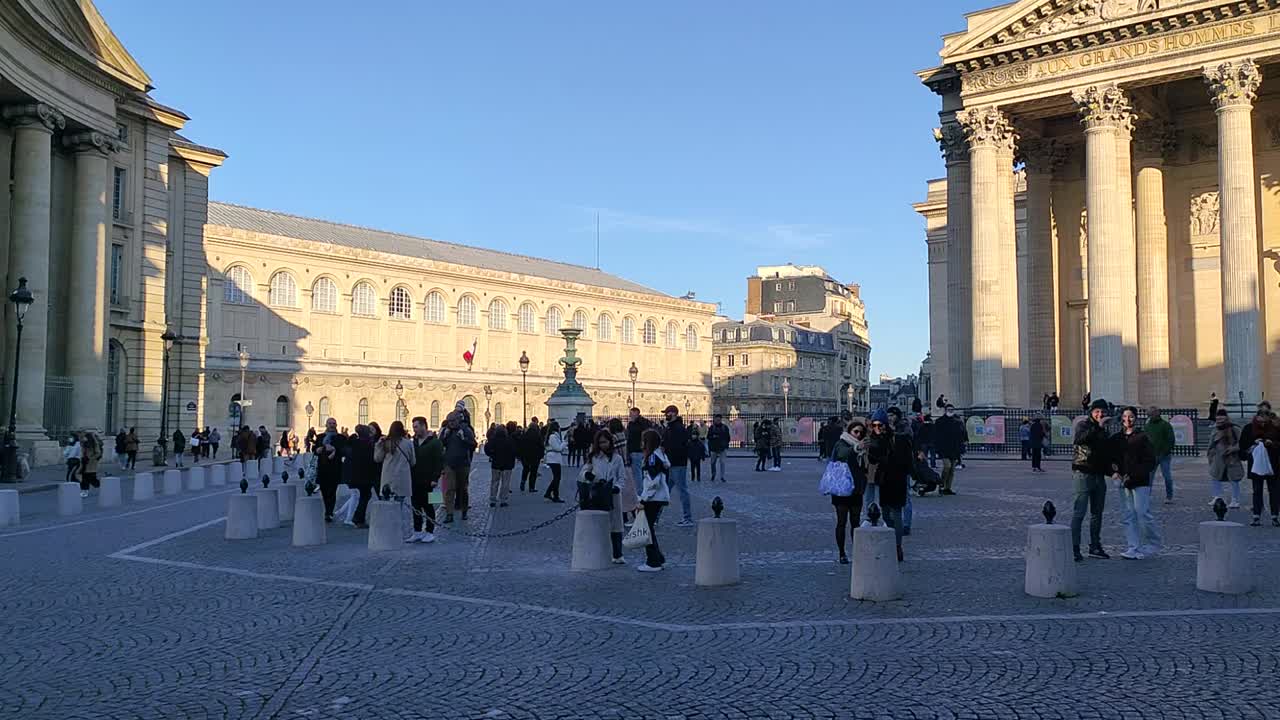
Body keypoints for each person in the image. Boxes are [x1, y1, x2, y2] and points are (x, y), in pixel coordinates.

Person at [1114, 406, 1162, 559]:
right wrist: (1114, 472)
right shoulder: (1117, 438)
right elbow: (1112, 458)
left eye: (1131, 417)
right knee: (1128, 515)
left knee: (1143, 513)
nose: (1128, 420)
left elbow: (1150, 461)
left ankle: (1153, 543)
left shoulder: (1142, 437)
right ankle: (1133, 546)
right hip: (1123, 481)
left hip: (1140, 481)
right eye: (1125, 416)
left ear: (1136, 418)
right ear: (1121, 418)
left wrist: (1133, 475)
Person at [1072, 399, 1114, 562]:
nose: (1100, 414)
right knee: (1079, 512)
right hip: (1083, 473)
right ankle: (1074, 547)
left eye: (1102, 411)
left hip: (1099, 475)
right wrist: (1098, 427)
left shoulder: (1104, 430)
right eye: (1097, 411)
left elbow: (1105, 453)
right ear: (1091, 412)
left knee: (1097, 513)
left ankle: (1095, 546)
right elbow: (1080, 440)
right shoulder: (1083, 425)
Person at [867, 411, 912, 562]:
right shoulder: (875, 439)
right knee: (885, 513)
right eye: (874, 425)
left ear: (885, 424)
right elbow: (873, 460)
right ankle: (893, 535)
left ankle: (898, 546)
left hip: (897, 477)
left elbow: (907, 458)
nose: (877, 427)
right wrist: (871, 447)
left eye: (879, 424)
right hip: (885, 479)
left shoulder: (898, 437)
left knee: (897, 511)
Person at [581, 429, 627, 563]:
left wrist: (617, 487)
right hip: (598, 493)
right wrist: (588, 476)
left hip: (613, 494)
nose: (603, 445)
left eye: (605, 442)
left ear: (610, 442)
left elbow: (622, 476)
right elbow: (584, 472)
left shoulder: (617, 458)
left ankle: (618, 554)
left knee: (616, 524)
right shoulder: (593, 457)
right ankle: (598, 551)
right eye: (600, 443)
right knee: (599, 523)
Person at [829, 421, 868, 564]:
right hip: (842, 489)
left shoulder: (863, 448)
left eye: (861, 433)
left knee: (855, 522)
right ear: (850, 431)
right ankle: (842, 552)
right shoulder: (842, 443)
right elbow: (842, 454)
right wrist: (857, 447)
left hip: (856, 489)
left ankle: (857, 551)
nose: (858, 434)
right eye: (856, 432)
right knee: (841, 522)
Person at [635, 428, 671, 572]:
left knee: (647, 530)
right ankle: (658, 557)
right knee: (650, 529)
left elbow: (652, 481)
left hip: (653, 498)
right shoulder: (660, 455)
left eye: (643, 440)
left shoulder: (652, 458)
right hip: (659, 497)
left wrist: (643, 499)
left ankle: (653, 561)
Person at [1240, 402, 1280, 527]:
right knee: (1257, 490)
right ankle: (1256, 515)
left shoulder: (1276, 427)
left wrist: (1272, 443)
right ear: (1257, 417)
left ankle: (1275, 516)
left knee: (1274, 491)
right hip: (1256, 465)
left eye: (1265, 417)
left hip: (1273, 464)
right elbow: (1242, 446)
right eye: (1260, 417)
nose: (1262, 420)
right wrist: (1253, 444)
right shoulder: (1248, 428)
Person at [374, 421, 416, 540]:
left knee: (386, 507)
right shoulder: (408, 444)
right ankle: (398, 533)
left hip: (387, 478)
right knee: (399, 508)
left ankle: (386, 532)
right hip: (402, 479)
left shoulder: (386, 443)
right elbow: (413, 462)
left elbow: (377, 458)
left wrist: (378, 444)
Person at [407, 416, 442, 540]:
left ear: (423, 426)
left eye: (416, 427)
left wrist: (435, 478)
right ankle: (417, 531)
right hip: (415, 479)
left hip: (429, 481)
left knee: (429, 506)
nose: (414, 430)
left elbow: (439, 462)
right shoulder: (414, 442)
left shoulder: (435, 442)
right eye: (413, 427)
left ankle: (430, 532)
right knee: (415, 506)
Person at [441, 407, 477, 523]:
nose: (450, 424)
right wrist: (444, 436)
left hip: (463, 464)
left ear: (458, 420)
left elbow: (473, 445)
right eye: (449, 422)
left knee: (463, 489)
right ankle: (449, 513)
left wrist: (464, 439)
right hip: (449, 464)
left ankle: (464, 511)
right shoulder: (447, 431)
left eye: (452, 422)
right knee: (449, 489)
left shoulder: (466, 430)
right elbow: (440, 444)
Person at [660, 405, 693, 526]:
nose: (665, 415)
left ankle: (688, 518)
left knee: (682, 491)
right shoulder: (671, 427)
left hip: (677, 464)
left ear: (673, 414)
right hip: (671, 463)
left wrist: (666, 452)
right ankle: (655, 517)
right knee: (664, 492)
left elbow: (678, 447)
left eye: (667, 413)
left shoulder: (678, 428)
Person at [1205, 407, 1244, 510]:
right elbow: (1211, 443)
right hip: (1217, 458)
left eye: (1222, 419)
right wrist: (1210, 455)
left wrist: (1234, 448)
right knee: (1215, 477)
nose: (1219, 422)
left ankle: (1235, 500)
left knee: (1234, 479)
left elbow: (1243, 442)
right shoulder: (1215, 429)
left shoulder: (1235, 429)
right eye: (1218, 420)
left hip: (1232, 458)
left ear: (1226, 419)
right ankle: (1217, 497)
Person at [315, 418, 346, 521]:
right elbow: (315, 449)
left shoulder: (340, 438)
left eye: (333, 423)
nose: (332, 425)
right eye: (330, 423)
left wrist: (334, 450)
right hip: (323, 468)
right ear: (326, 425)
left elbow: (343, 450)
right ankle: (327, 509)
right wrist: (318, 449)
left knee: (332, 491)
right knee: (324, 490)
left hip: (335, 468)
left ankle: (329, 512)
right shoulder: (320, 437)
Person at [1142, 407, 1176, 502]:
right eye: (1148, 414)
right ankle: (1146, 495)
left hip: (1164, 455)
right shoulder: (1147, 426)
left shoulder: (1165, 425)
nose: (1149, 416)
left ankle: (1169, 496)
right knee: (1149, 477)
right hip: (1152, 455)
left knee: (1167, 476)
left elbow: (1171, 439)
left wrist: (1165, 451)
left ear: (1157, 413)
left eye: (1151, 414)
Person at [933, 405, 965, 493]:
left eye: (952, 410)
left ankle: (948, 488)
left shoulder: (957, 422)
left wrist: (961, 447)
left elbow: (961, 435)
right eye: (949, 410)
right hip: (944, 448)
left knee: (952, 470)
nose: (950, 411)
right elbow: (936, 436)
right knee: (947, 466)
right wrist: (937, 448)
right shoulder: (939, 421)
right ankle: (942, 484)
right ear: (945, 410)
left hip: (954, 448)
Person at [484, 423, 517, 508]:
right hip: (507, 465)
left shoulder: (493, 440)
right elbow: (514, 451)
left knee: (494, 482)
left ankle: (493, 499)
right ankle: (503, 500)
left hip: (496, 464)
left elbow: (486, 449)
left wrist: (492, 455)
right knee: (505, 483)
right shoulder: (509, 440)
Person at [518, 417, 544, 493]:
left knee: (525, 469)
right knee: (533, 471)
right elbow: (541, 446)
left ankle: (523, 481)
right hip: (535, 456)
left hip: (525, 456)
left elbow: (521, 445)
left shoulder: (524, 435)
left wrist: (521, 455)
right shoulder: (537, 435)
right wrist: (541, 455)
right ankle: (531, 487)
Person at [543, 420, 566, 503]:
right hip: (553, 459)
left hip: (555, 459)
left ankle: (549, 493)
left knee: (557, 478)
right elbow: (558, 448)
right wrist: (564, 443)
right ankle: (554, 495)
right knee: (557, 478)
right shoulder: (553, 437)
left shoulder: (554, 436)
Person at [706, 414, 730, 482]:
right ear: (715, 420)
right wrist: (713, 437)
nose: (717, 421)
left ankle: (722, 476)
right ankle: (713, 474)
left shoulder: (725, 427)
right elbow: (708, 437)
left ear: (721, 420)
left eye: (719, 420)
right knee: (712, 463)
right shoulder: (712, 427)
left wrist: (725, 444)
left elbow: (728, 437)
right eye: (716, 419)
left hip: (722, 448)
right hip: (714, 448)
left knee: (722, 462)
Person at [78, 432, 102, 498]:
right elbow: (80, 440)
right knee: (84, 478)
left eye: (86, 437)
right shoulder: (84, 444)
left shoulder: (94, 444)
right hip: (84, 462)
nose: (85, 438)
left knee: (92, 479)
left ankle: (102, 485)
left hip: (91, 463)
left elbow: (98, 453)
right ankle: (84, 491)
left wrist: (91, 458)